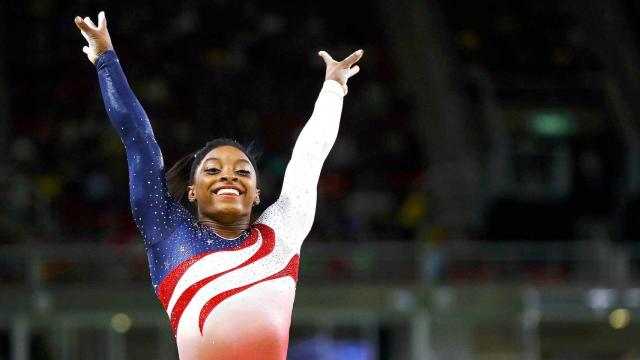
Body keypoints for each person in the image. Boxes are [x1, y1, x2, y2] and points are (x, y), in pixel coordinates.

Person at [74, 11, 363, 360]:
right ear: (193, 190)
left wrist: (333, 87)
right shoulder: (168, 234)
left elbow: (310, 155)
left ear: (257, 195)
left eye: (242, 172)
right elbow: (139, 140)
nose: (228, 176)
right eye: (213, 170)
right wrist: (106, 58)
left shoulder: (280, 237)